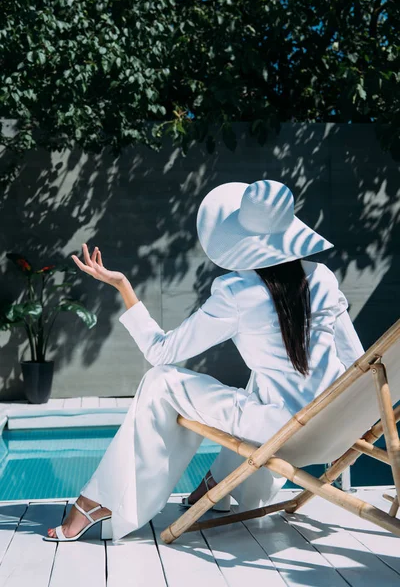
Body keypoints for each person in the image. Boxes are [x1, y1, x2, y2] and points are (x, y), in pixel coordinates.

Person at [44, 179, 365, 543]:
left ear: (242, 237)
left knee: (160, 380)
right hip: (333, 432)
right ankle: (218, 485)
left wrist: (123, 287)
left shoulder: (237, 292)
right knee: (260, 383)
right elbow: (357, 361)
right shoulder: (322, 277)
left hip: (283, 432)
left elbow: (161, 352)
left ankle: (100, 503)